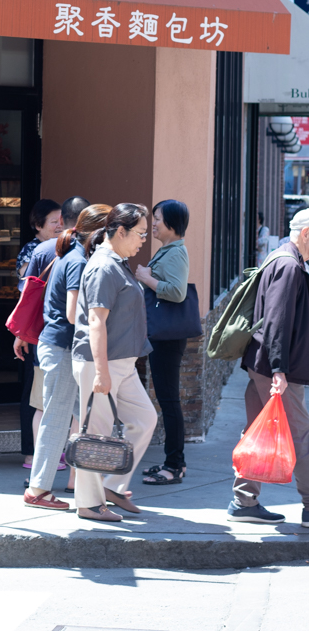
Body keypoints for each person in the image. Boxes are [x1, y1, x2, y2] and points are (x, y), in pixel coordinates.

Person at [72, 204, 158, 523]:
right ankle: (89, 503)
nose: (143, 241)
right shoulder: (104, 266)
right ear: (120, 232)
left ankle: (112, 486)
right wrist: (101, 372)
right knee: (96, 433)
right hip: (103, 363)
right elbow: (96, 322)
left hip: (122, 363)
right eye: (140, 234)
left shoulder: (117, 263)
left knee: (145, 419)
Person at [23, 205, 112, 511]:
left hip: (59, 347)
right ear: (98, 232)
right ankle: (38, 490)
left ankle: (95, 487)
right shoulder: (77, 260)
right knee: (58, 419)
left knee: (84, 418)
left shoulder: (71, 255)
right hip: (61, 348)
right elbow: (73, 314)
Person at [228, 207, 309, 526]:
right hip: (275, 370)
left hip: (263, 364)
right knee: (301, 436)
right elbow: (277, 321)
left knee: (255, 431)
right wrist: (279, 371)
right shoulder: (289, 266)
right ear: (307, 234)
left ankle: (244, 501)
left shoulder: (282, 258)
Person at [16, 196, 90, 473]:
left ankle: (39, 463)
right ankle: (65, 470)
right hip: (66, 338)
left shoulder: (46, 250)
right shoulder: (81, 254)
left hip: (43, 335)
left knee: (42, 404)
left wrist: (22, 331)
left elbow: (27, 296)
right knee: (73, 408)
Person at [135, 199, 190, 486]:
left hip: (167, 339)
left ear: (172, 223)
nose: (153, 223)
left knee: (169, 401)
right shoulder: (168, 250)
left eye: (157, 218)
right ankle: (174, 462)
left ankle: (174, 465)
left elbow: (178, 292)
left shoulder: (175, 252)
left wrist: (146, 278)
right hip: (163, 336)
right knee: (167, 400)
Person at [15, 198, 63, 465]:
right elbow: (27, 290)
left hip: (50, 329)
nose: (60, 226)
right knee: (35, 394)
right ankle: (31, 452)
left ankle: (51, 449)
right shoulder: (33, 250)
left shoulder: (62, 247)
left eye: (62, 221)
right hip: (36, 329)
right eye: (54, 221)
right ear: (38, 225)